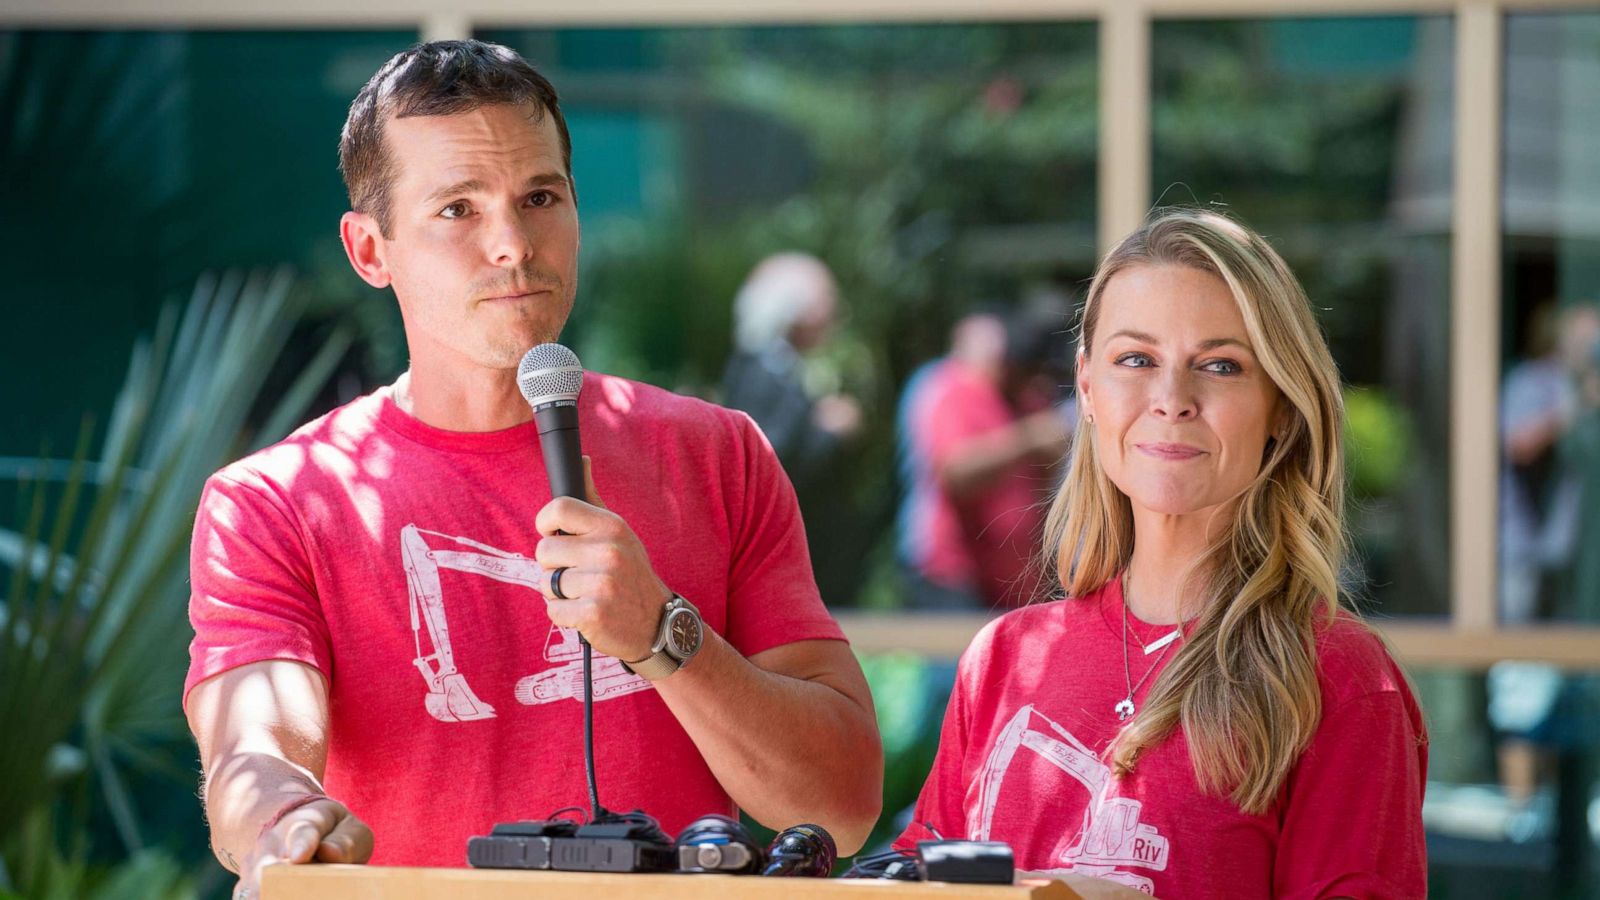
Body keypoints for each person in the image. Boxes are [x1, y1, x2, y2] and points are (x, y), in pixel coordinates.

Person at [182, 40, 882, 897]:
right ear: (371, 251)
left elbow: (842, 806)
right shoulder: (277, 502)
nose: (512, 244)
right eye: (457, 210)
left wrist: (664, 636)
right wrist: (284, 821)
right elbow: (254, 748)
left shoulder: (718, 454)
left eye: (539, 197)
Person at [895, 209, 1428, 897]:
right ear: (1087, 388)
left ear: (1282, 409)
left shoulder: (1342, 684)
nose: (1172, 399)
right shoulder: (1000, 662)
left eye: (1221, 365)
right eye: (1136, 360)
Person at [896, 309, 1070, 609]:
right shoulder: (954, 389)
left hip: (1012, 580)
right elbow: (955, 473)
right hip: (951, 574)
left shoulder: (1029, 402)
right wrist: (1027, 439)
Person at [721, 252, 862, 480]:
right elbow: (769, 456)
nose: (834, 312)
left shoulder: (772, 365)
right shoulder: (763, 371)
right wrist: (828, 432)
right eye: (825, 299)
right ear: (793, 307)